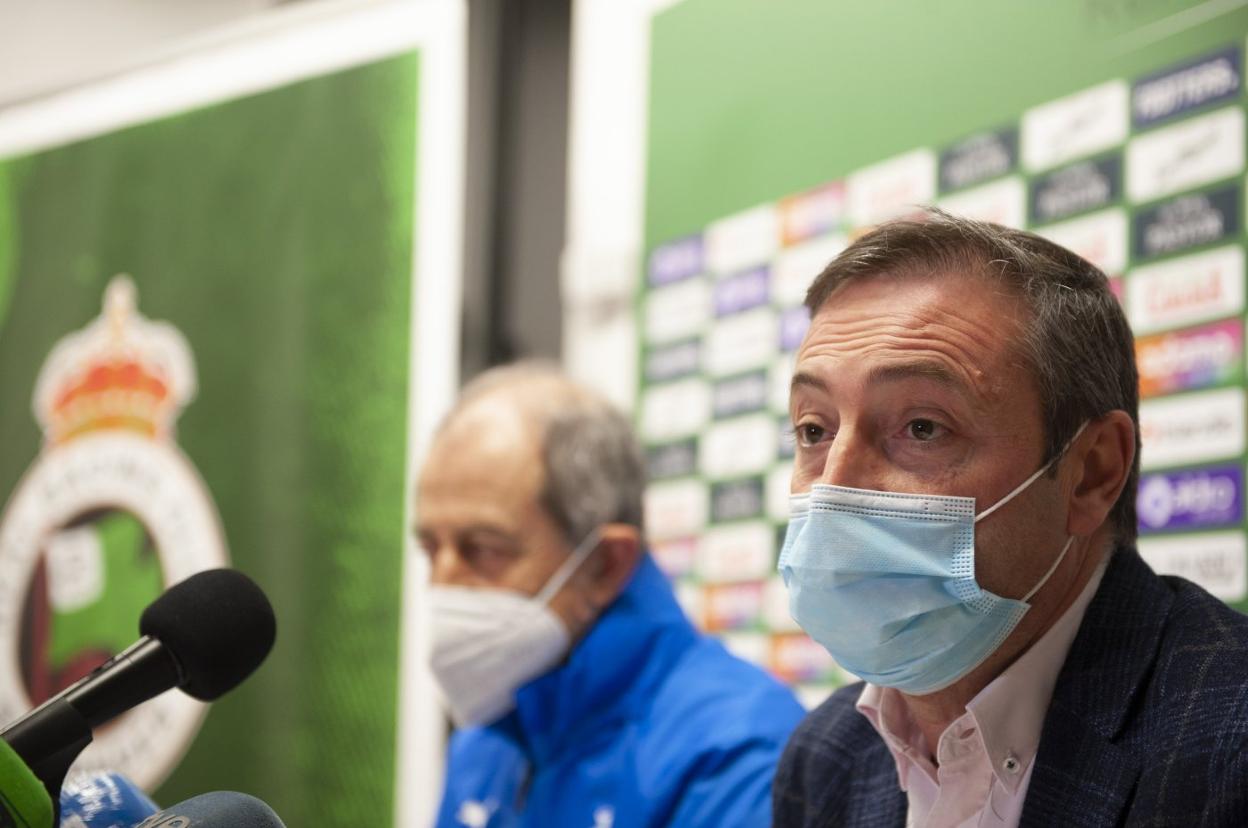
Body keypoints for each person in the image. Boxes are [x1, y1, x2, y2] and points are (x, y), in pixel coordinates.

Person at [772, 209, 1248, 827]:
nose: (833, 488)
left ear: (1091, 472)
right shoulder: (826, 757)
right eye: (814, 430)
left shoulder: (1229, 743)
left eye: (923, 427)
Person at [417, 363, 804, 828]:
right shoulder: (487, 736)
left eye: (483, 549)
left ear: (604, 564)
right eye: (430, 549)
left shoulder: (737, 754)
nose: (442, 582)